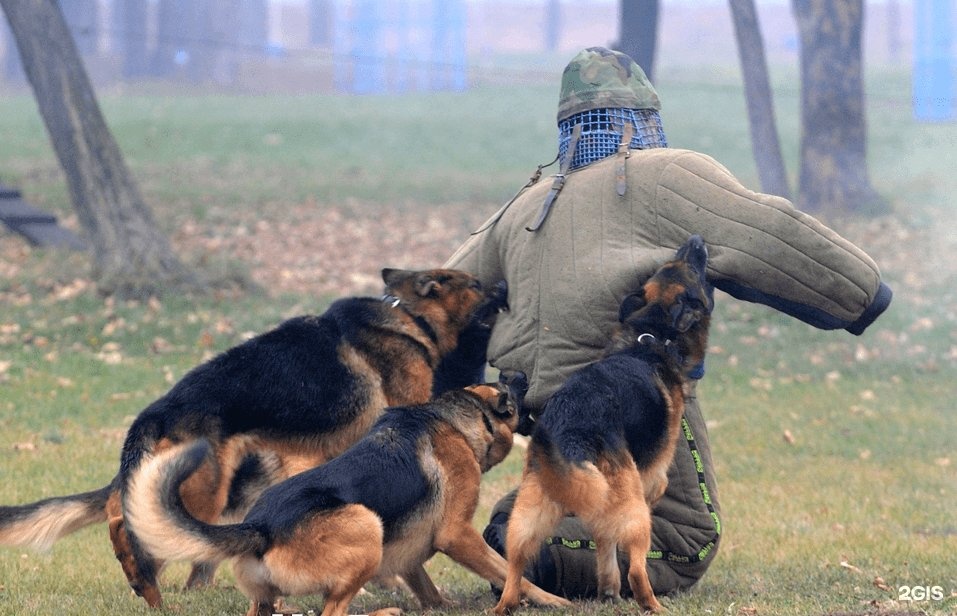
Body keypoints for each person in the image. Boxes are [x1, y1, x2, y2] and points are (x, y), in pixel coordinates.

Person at [443, 46, 892, 598]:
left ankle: (518, 529)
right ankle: (546, 561)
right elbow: (767, 230)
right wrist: (863, 292)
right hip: (632, 391)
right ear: (640, 118)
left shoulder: (524, 204)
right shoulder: (663, 175)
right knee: (683, 540)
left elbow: (443, 293)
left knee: (568, 479)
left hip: (536, 405)